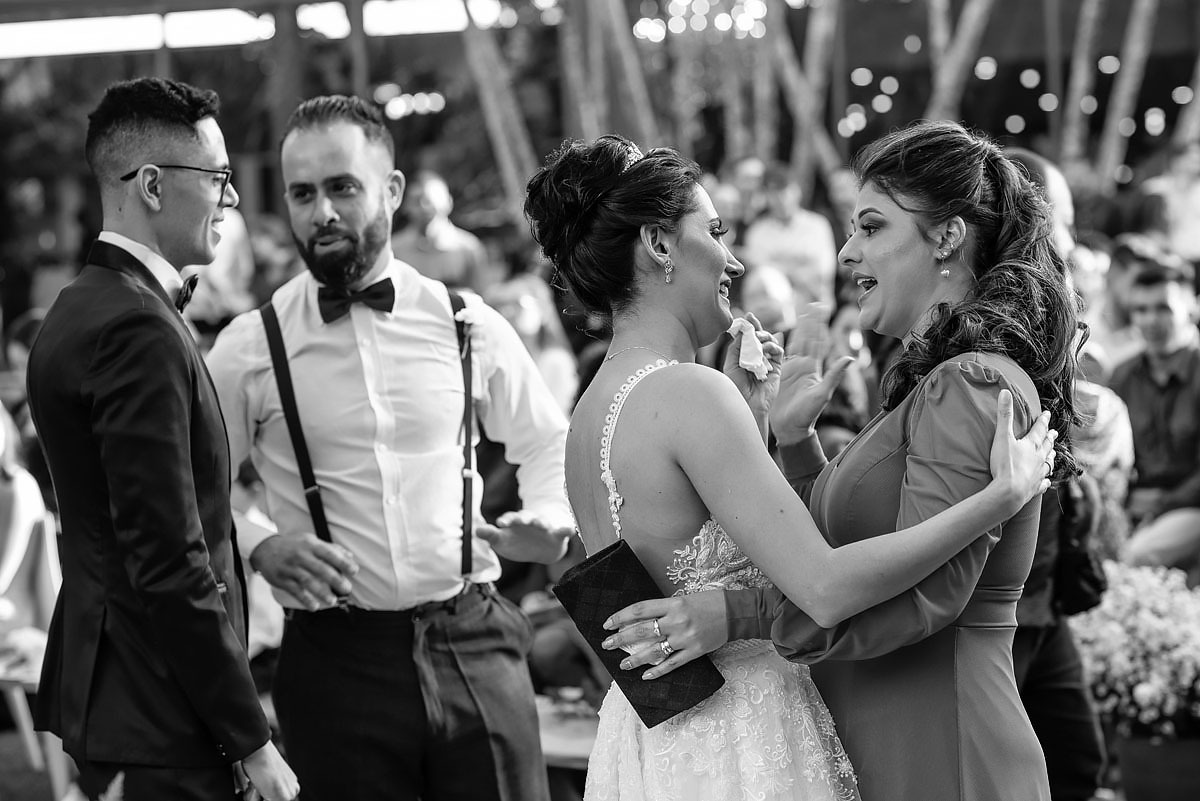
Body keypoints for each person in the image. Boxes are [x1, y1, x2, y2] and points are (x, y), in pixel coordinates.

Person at [524, 132, 1058, 800]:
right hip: (751, 745)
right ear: (658, 245)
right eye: (715, 230)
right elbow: (824, 581)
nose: (734, 257)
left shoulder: (589, 414)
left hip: (662, 748)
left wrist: (783, 437)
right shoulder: (691, 393)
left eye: (870, 226)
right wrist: (995, 500)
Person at [206, 95, 573, 801]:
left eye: (342, 186)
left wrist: (551, 512)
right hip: (335, 660)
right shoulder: (252, 346)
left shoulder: (466, 321)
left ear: (392, 190)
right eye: (303, 193)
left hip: (475, 638)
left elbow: (546, 438)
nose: (322, 212)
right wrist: (258, 543)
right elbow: (192, 493)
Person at [24, 77, 297, 801]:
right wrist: (251, 736)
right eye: (219, 178)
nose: (232, 200)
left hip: (121, 697)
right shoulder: (137, 327)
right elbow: (170, 557)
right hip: (158, 710)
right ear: (151, 183)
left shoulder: (78, 306)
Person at [1004, 146, 1108, 801]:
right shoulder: (998, 325)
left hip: (1045, 589)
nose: (1072, 239)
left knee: (1079, 762)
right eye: (1061, 219)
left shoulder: (1056, 299)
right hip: (1005, 603)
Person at [1110, 262, 1200, 586]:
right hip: (1135, 504)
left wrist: (1158, 508)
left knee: (1138, 555)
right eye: (1141, 309)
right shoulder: (1122, 375)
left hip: (1190, 505)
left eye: (1163, 308)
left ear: (1192, 305)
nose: (1150, 320)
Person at [390, 169, 496, 291]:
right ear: (405, 207)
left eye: (429, 200)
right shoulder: (395, 252)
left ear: (449, 201)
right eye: (416, 201)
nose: (423, 207)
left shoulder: (468, 249)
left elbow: (483, 297)